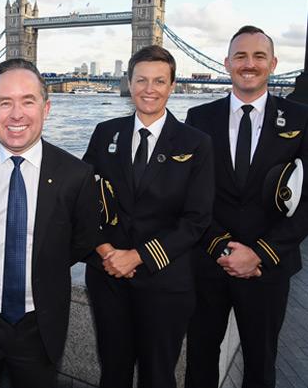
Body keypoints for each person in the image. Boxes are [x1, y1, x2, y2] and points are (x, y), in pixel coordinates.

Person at [0, 58, 100, 388]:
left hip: (39, 324)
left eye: (27, 101)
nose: (16, 115)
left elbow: (82, 242)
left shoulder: (76, 175)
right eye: (5, 103)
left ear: (46, 109)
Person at [83, 45, 214, 388]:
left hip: (165, 282)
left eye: (159, 80)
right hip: (108, 276)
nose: (149, 89)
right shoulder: (105, 133)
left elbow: (196, 220)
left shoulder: (196, 143)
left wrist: (138, 256)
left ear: (173, 86)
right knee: (113, 373)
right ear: (129, 82)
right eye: (141, 79)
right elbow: (81, 202)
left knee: (158, 376)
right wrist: (104, 251)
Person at [185, 26, 308, 388]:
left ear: (273, 63)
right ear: (226, 64)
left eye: (258, 56)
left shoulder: (302, 120)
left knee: (261, 363)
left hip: (269, 268)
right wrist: (223, 248)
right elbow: (192, 198)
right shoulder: (198, 118)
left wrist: (260, 253)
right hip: (209, 264)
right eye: (240, 56)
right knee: (200, 360)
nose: (249, 64)